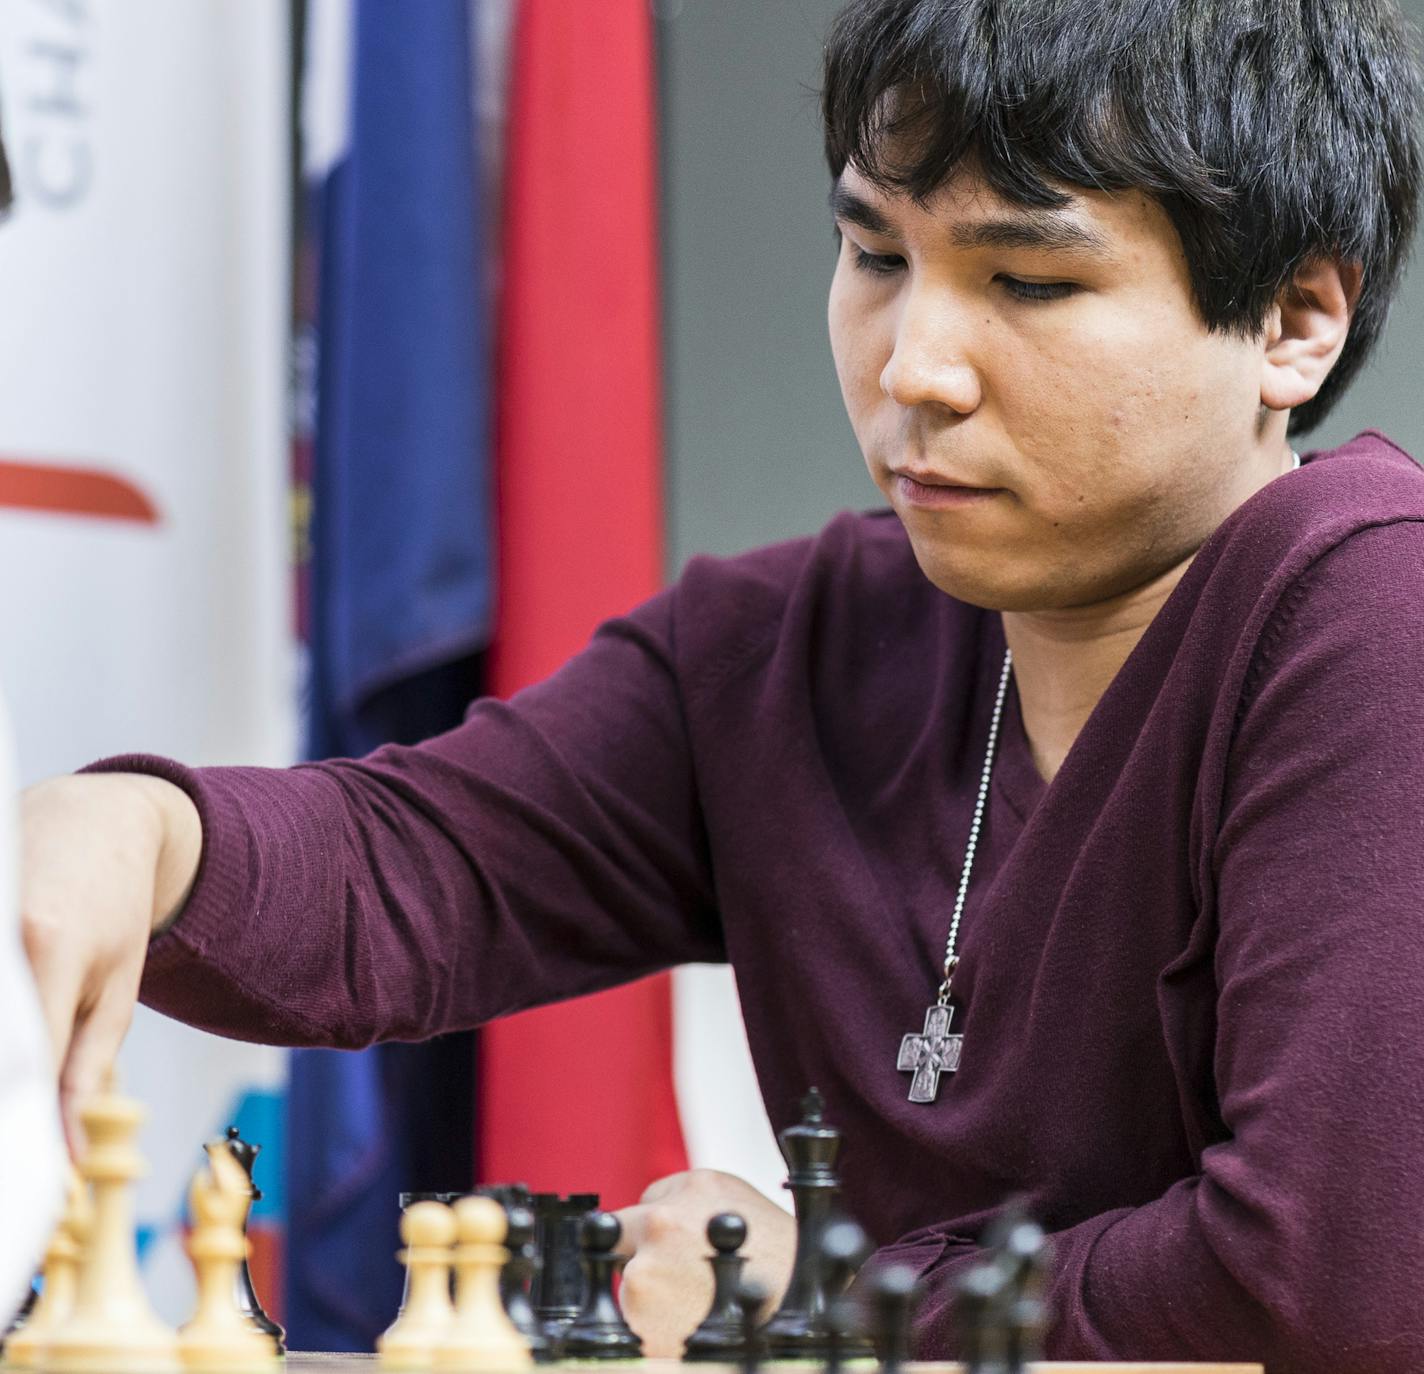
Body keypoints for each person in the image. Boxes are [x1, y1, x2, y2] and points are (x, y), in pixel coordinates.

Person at [17, 0, 1424, 1367]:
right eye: (875, 254)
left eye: (1030, 282)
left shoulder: (1372, 610)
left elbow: (1330, 1281)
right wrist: (143, 833)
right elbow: (405, 868)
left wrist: (826, 1296)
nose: (914, 366)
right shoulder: (787, 645)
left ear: (1296, 319)